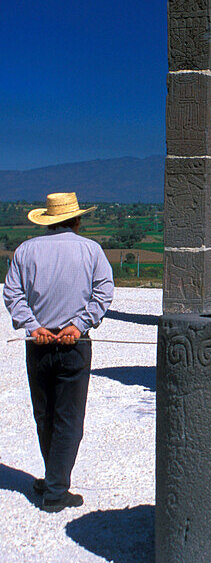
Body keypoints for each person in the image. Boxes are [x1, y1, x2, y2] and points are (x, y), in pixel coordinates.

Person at [3, 192, 114, 512]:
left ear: (49, 220)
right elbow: (104, 292)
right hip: (74, 345)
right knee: (69, 417)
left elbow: (12, 293)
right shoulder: (91, 250)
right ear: (77, 219)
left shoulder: (26, 250)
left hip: (36, 345)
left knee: (45, 414)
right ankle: (55, 489)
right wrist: (79, 325)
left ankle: (52, 477)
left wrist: (33, 326)